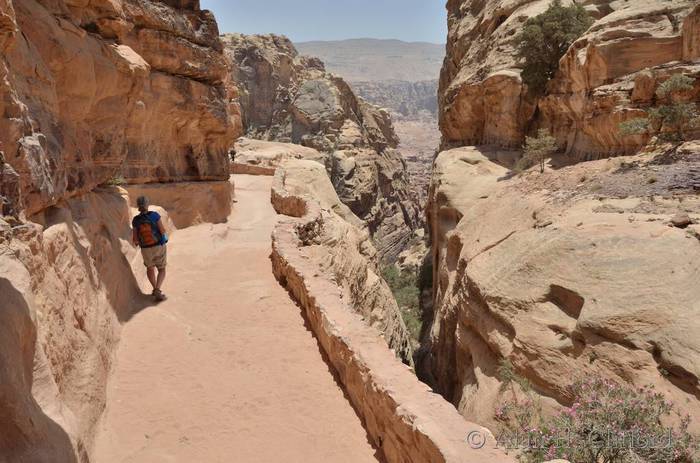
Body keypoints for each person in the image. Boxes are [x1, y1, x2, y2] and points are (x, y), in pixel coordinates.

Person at [132, 196, 169, 301]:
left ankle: (154, 288)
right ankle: (157, 289)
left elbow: (135, 239)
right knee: (161, 269)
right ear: (147, 204)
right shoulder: (154, 215)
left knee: (150, 268)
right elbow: (162, 230)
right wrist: (164, 238)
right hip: (158, 246)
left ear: (138, 206)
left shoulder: (136, 220)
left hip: (145, 249)